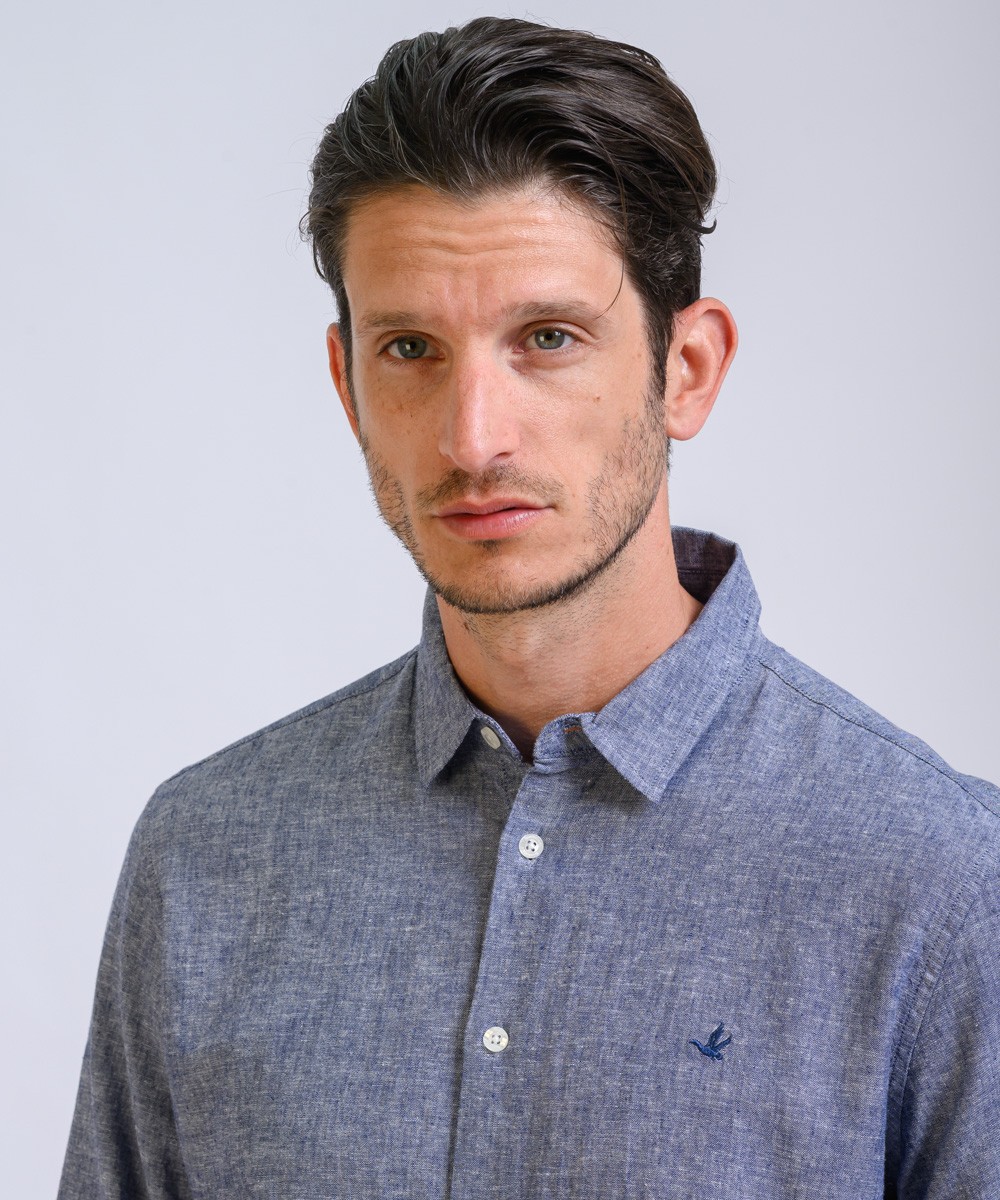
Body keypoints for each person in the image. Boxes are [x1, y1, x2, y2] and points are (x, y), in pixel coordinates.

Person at [59, 16, 999, 1199]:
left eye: (547, 338)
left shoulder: (938, 879)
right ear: (347, 384)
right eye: (411, 349)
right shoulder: (205, 856)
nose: (472, 438)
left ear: (687, 370)